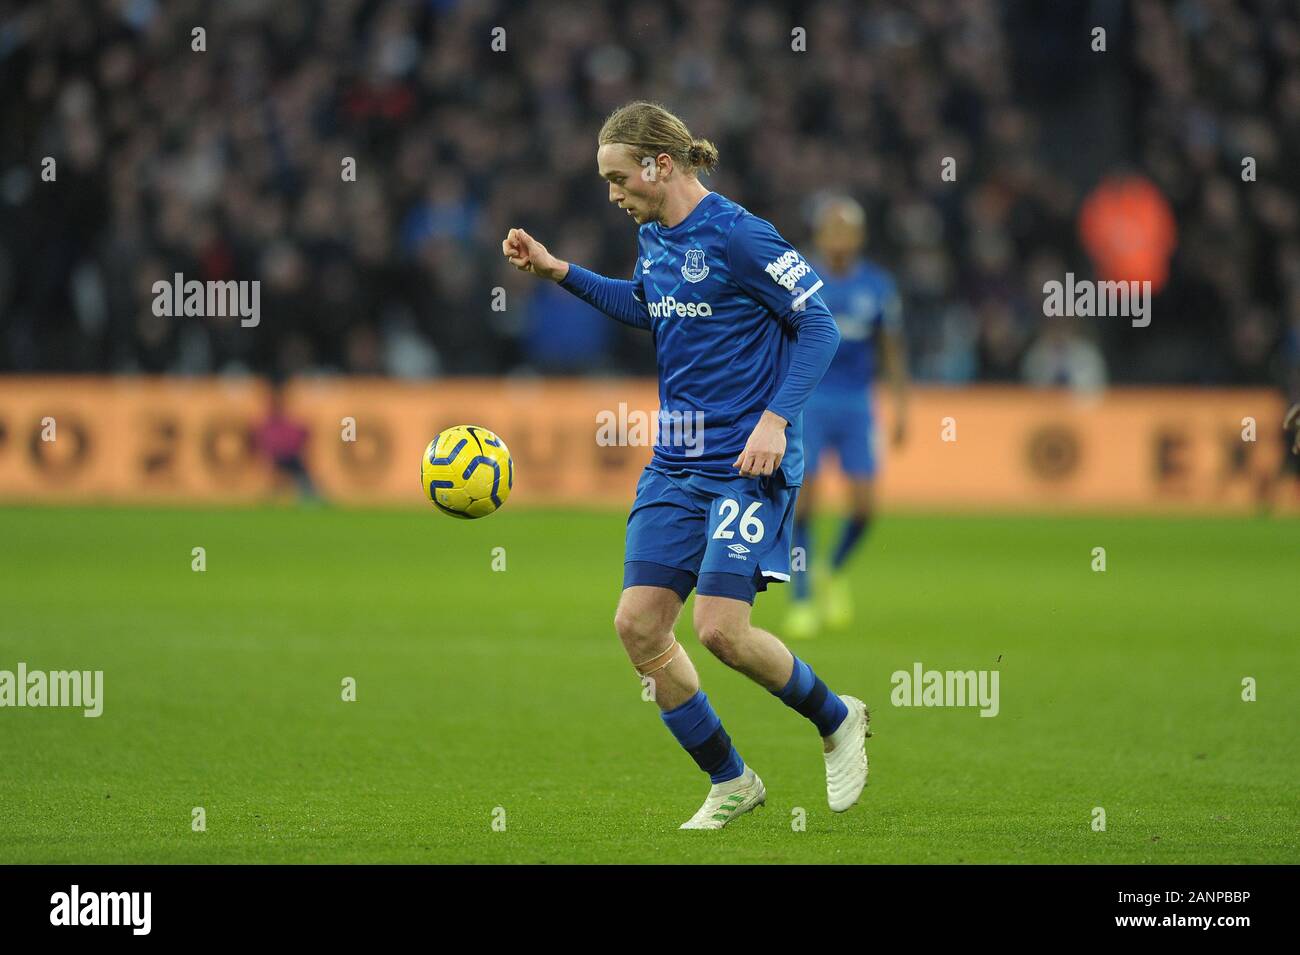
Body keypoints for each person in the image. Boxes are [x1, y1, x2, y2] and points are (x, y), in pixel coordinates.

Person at [502, 102, 870, 829]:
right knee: (638, 625)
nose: (613, 194)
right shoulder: (652, 236)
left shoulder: (740, 235)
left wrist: (775, 418)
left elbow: (819, 323)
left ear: (660, 165)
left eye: (617, 177)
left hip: (745, 461)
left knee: (721, 631)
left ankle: (837, 717)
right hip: (675, 460)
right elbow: (650, 307)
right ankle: (731, 779)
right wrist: (559, 271)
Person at [786, 197, 910, 639]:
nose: (839, 238)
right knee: (806, 503)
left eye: (847, 230)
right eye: (832, 229)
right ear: (820, 235)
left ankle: (830, 569)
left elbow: (891, 349)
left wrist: (900, 408)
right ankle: (800, 597)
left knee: (864, 507)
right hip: (811, 402)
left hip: (858, 404)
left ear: (858, 237)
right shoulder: (799, 279)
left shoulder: (877, 286)